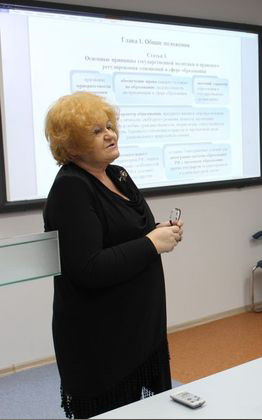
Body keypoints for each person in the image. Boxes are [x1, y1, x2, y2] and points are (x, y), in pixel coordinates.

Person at [43, 92, 184, 418]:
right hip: (102, 340)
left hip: (139, 330)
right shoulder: (71, 188)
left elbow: (134, 233)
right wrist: (152, 243)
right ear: (72, 144)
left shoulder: (118, 174)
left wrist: (162, 232)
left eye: (109, 126)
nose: (110, 134)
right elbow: (88, 268)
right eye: (96, 131)